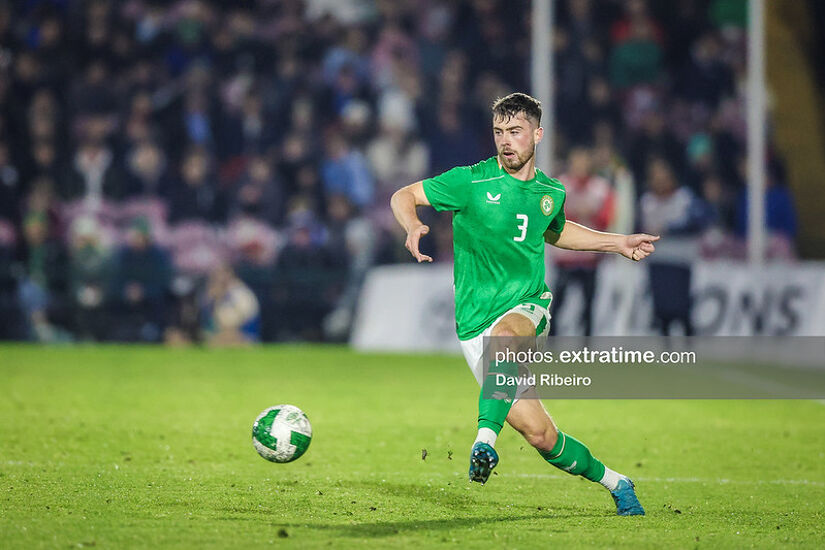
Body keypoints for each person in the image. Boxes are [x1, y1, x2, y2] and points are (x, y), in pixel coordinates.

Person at [390, 93, 658, 516]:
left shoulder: (550, 190)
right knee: (541, 436)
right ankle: (618, 482)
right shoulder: (471, 182)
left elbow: (555, 230)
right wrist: (413, 223)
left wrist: (617, 242)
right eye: (499, 132)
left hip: (527, 306)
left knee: (505, 336)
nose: (505, 141)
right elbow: (403, 194)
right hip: (473, 322)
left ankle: (484, 443)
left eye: (514, 132)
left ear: (537, 134)